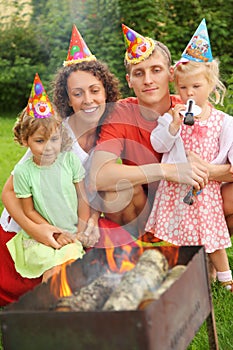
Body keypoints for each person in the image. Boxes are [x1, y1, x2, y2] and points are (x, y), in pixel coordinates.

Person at [0, 25, 123, 305]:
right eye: (78, 93)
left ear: (106, 91)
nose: (88, 100)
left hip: (70, 217)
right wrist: (37, 230)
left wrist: (90, 221)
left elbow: (90, 190)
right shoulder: (55, 135)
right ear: (68, 99)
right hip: (31, 222)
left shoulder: (109, 131)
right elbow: (9, 193)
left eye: (95, 90)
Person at [90, 23, 227, 236]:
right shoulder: (121, 113)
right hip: (143, 208)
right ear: (129, 81)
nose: (148, 80)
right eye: (138, 73)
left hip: (190, 205)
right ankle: (143, 245)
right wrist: (168, 171)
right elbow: (98, 175)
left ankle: (204, 251)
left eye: (156, 70)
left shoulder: (193, 108)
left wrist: (205, 171)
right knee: (120, 189)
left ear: (171, 74)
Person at [145, 19, 233, 291]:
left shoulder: (224, 121)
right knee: (179, 235)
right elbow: (158, 145)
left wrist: (208, 170)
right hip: (175, 189)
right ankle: (184, 274)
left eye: (196, 87)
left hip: (205, 191)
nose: (189, 93)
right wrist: (171, 125)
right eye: (183, 88)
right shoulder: (173, 116)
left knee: (212, 236)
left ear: (210, 84)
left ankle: (226, 278)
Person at [6, 73, 96, 282]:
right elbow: (28, 210)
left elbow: (82, 198)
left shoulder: (69, 162)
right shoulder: (24, 172)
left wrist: (81, 229)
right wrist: (54, 232)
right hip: (43, 233)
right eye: (39, 141)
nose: (48, 147)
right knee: (51, 267)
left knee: (70, 260)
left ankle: (64, 304)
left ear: (61, 136)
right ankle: (52, 307)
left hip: (74, 230)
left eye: (54, 139)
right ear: (25, 140)